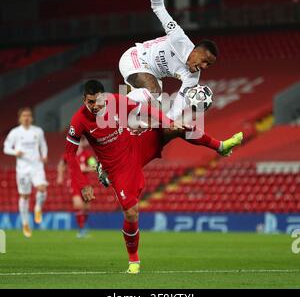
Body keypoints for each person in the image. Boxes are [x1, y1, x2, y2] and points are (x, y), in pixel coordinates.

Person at [64, 80, 243, 274]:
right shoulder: (78, 121)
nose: (95, 106)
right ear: (84, 100)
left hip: (136, 145)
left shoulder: (115, 101)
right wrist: (82, 184)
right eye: (90, 102)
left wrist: (168, 122)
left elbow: (148, 110)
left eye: (98, 101)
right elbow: (69, 155)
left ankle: (221, 147)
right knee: (131, 213)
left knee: (177, 128)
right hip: (118, 167)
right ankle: (134, 260)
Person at [119, 0, 218, 120]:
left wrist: (166, 124)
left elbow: (177, 107)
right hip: (134, 58)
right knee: (154, 91)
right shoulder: (179, 37)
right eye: (205, 60)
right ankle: (115, 107)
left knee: (156, 111)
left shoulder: (192, 78)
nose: (205, 66)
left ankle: (131, 124)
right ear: (196, 51)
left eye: (209, 65)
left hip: (151, 75)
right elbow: (157, 6)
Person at [3, 107, 48, 238]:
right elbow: (6, 148)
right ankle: (25, 223)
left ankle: (38, 208)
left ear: (32, 118)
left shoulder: (38, 131)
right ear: (20, 118)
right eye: (24, 116)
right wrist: (14, 152)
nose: (26, 118)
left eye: (28, 115)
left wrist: (44, 155)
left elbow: (43, 145)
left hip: (36, 166)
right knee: (25, 196)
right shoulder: (15, 133)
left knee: (42, 188)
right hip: (22, 169)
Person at [57, 136, 97, 238]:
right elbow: (61, 165)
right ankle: (81, 230)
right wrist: (60, 176)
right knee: (78, 205)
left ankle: (83, 226)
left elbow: (94, 166)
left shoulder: (87, 154)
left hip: (86, 183)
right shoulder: (68, 154)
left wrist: (86, 168)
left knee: (86, 207)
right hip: (73, 183)